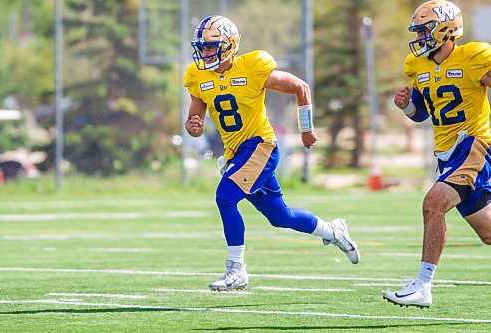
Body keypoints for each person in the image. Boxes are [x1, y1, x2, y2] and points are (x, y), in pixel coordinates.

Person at [183, 15, 360, 291]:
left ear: (229, 46)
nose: (204, 52)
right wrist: (193, 126)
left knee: (225, 197)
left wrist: (306, 129)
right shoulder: (197, 76)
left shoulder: (252, 67)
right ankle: (333, 231)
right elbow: (194, 124)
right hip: (236, 153)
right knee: (281, 217)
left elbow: (300, 87)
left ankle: (236, 269)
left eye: (210, 47)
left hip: (260, 145)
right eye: (202, 47)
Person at [383, 0, 491, 308]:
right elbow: (421, 114)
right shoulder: (417, 65)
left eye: (423, 31)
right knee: (488, 233)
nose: (418, 38)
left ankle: (422, 284)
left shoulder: (473, 56)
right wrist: (405, 105)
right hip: (447, 155)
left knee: (433, 205)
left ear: (444, 30)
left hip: (474, 146)